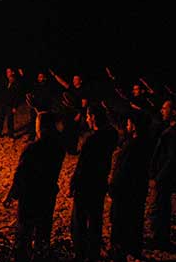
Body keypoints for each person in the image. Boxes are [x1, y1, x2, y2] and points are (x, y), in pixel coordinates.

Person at [3, 111, 66, 262]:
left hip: (30, 196)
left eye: (37, 124)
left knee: (24, 233)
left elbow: (21, 174)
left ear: (41, 127)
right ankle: (40, 255)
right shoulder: (58, 147)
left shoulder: (32, 149)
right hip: (48, 194)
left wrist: (12, 194)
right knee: (43, 232)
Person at [68, 105, 118, 262]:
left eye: (89, 117)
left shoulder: (91, 140)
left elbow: (82, 166)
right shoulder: (111, 134)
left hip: (86, 184)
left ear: (94, 117)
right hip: (100, 181)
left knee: (79, 219)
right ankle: (94, 251)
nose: (87, 119)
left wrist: (73, 183)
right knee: (96, 218)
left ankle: (80, 253)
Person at [107, 111, 151, 262]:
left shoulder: (133, 146)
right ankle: (133, 248)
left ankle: (120, 252)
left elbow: (123, 171)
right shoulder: (145, 143)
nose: (126, 125)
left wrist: (113, 187)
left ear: (134, 126)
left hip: (125, 194)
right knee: (134, 222)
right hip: (137, 192)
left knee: (121, 225)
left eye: (128, 123)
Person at [148, 99, 176, 250]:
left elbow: (171, 158)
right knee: (162, 207)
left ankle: (160, 240)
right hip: (164, 176)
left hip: (164, 177)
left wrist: (158, 177)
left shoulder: (173, 133)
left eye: (165, 108)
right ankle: (160, 238)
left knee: (160, 207)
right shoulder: (170, 130)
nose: (162, 111)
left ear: (174, 112)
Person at [0, 67, 24, 138]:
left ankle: (11, 134)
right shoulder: (4, 81)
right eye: (7, 72)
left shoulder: (16, 83)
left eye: (9, 72)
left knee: (10, 120)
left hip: (10, 105)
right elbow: (0, 92)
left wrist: (15, 106)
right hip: (2, 104)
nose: (7, 73)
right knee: (0, 119)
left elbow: (17, 96)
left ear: (12, 73)